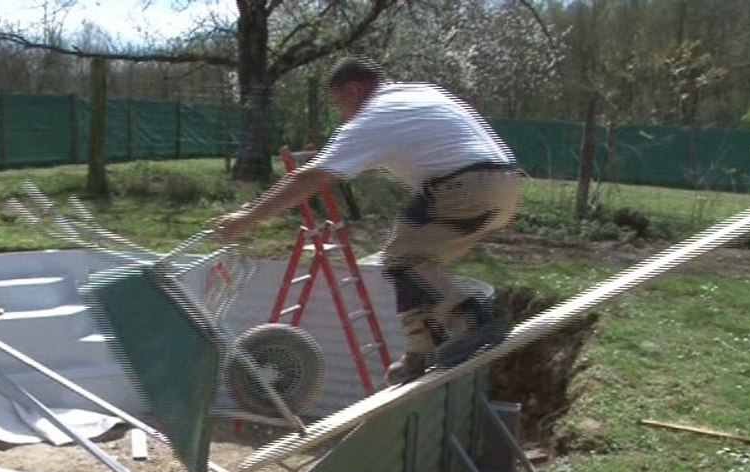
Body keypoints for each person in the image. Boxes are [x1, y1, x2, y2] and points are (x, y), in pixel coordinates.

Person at [213, 55, 523, 385]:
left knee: (405, 259)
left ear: (355, 89)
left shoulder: (373, 116)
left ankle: (473, 320)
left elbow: (310, 178)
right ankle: (422, 349)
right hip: (505, 185)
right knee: (411, 260)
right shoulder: (417, 93)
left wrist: (248, 217)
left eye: (340, 103)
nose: (341, 114)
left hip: (465, 186)